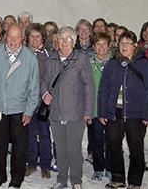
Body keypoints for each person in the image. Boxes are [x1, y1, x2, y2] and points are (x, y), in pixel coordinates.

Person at [98, 30, 148, 189]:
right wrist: (102, 111)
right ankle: (118, 179)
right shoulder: (112, 64)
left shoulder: (144, 64)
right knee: (114, 146)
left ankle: (135, 181)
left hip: (136, 114)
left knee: (136, 148)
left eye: (128, 44)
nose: (124, 46)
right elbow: (104, 89)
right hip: (114, 112)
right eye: (122, 43)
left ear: (134, 46)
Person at [0, 24, 39, 188]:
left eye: (17, 37)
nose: (13, 41)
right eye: (10, 37)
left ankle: (17, 178)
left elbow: (34, 87)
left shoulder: (29, 58)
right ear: (5, 37)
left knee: (19, 147)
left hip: (20, 110)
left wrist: (29, 110)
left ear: (23, 38)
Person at [42, 26, 94, 189]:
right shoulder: (51, 59)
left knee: (74, 149)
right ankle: (61, 179)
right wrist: (44, 94)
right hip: (56, 113)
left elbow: (89, 87)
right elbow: (44, 81)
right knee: (61, 148)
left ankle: (76, 180)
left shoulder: (81, 59)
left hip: (75, 113)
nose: (64, 42)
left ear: (74, 41)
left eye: (68, 39)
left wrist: (88, 112)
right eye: (61, 39)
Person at [25, 23, 53, 179]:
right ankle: (31, 163)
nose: (35, 39)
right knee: (29, 134)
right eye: (32, 36)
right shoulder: (22, 54)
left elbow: (53, 77)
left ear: (43, 37)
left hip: (44, 102)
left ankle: (45, 165)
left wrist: (48, 95)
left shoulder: (49, 55)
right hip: (27, 102)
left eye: (38, 36)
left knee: (44, 134)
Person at [88, 33, 112, 181]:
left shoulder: (114, 62)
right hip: (94, 109)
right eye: (98, 44)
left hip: (111, 109)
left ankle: (110, 167)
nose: (101, 47)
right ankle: (98, 167)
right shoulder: (88, 62)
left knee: (111, 140)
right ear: (93, 47)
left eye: (104, 44)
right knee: (96, 140)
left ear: (109, 46)